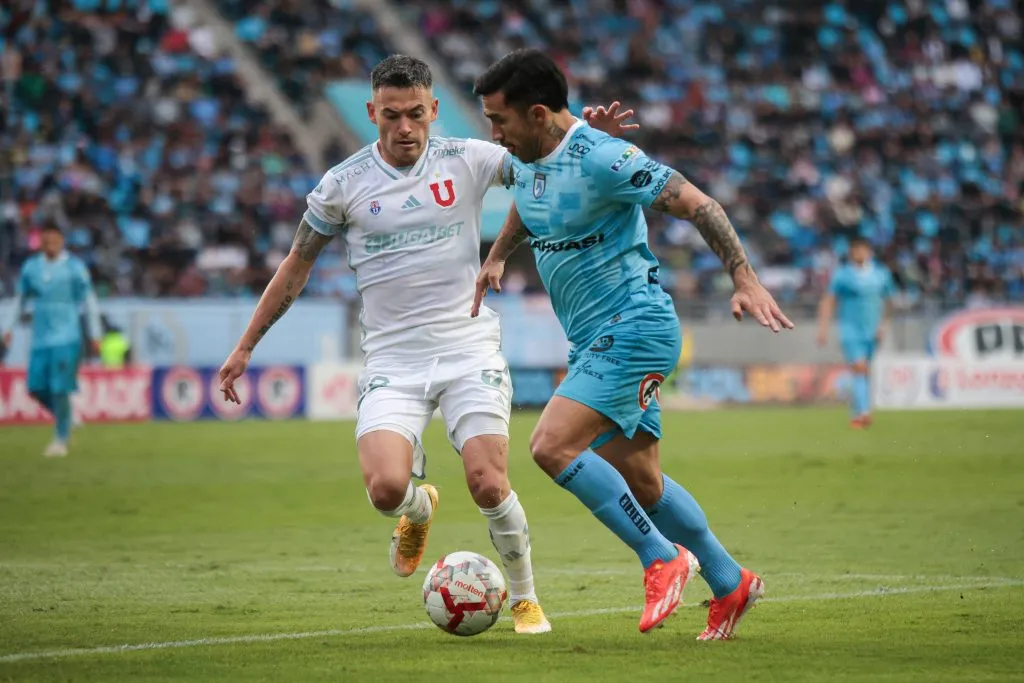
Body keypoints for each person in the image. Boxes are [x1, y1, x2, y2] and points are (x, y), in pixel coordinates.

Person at [216, 54, 635, 635]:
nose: (405, 127)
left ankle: (524, 599)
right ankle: (418, 508)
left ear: (434, 109)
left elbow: (545, 162)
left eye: (416, 113)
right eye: (391, 115)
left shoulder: (468, 158)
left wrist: (592, 141)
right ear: (372, 114)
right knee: (386, 488)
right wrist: (245, 346)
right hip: (393, 360)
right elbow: (296, 265)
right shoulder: (342, 185)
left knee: (488, 481)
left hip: (469, 348)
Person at [471, 49, 793, 638]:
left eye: (499, 119)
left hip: (635, 328)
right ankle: (730, 581)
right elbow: (529, 197)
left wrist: (744, 278)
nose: (494, 133)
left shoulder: (604, 157)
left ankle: (661, 558)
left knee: (551, 447)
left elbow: (700, 204)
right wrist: (496, 255)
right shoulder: (528, 157)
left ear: (538, 113)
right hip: (594, 339)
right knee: (644, 484)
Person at [1, 225, 100, 457]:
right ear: (40, 243)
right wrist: (7, 327)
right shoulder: (32, 268)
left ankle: (60, 440)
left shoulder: (74, 268)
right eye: (46, 241)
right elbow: (20, 299)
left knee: (60, 388)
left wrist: (95, 333)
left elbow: (89, 300)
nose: (50, 245)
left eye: (54, 241)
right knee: (35, 388)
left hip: (67, 337)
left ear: (62, 241)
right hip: (40, 339)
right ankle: (66, 415)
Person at [817, 237, 894, 428]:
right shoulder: (842, 275)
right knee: (859, 367)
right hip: (850, 329)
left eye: (863, 250)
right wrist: (823, 328)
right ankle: (864, 412)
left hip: (873, 330)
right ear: (851, 253)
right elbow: (829, 300)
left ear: (870, 252)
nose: (860, 254)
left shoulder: (881, 274)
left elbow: (889, 301)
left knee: (864, 371)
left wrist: (883, 325)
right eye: (856, 250)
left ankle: (856, 412)